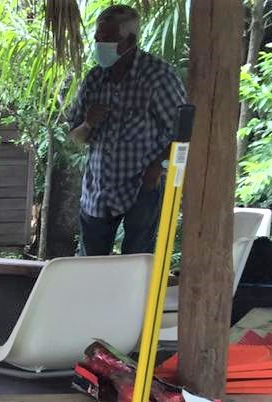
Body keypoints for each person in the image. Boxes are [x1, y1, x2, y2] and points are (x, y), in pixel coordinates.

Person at [64, 4, 186, 256]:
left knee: (136, 262)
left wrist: (156, 170)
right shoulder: (95, 79)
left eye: (107, 37)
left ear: (129, 41)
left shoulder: (157, 76)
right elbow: (75, 136)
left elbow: (183, 131)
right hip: (98, 191)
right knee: (90, 266)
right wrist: (88, 123)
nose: (99, 43)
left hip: (142, 187)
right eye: (97, 37)